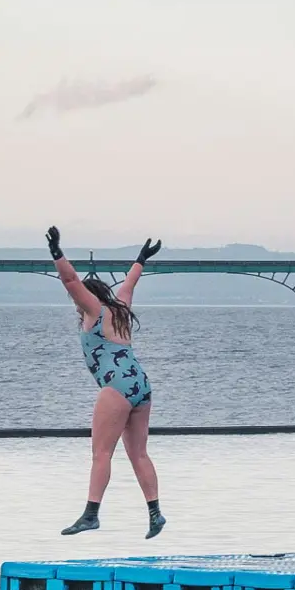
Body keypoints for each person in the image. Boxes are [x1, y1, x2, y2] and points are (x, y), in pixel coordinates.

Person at [48, 226, 166, 538]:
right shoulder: (122, 307)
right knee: (139, 453)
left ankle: (91, 514)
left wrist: (57, 253)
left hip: (116, 386)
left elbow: (71, 281)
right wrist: (141, 258)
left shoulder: (95, 310)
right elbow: (130, 282)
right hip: (140, 384)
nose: (77, 305)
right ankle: (155, 513)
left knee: (101, 453)